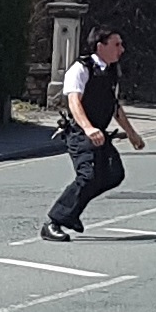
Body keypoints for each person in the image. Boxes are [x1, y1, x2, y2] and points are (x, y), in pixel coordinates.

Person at [41, 27, 145, 242]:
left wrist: (132, 134)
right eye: (116, 44)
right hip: (80, 133)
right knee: (88, 176)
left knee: (113, 175)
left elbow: (114, 106)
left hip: (100, 133)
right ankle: (53, 222)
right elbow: (74, 101)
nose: (122, 50)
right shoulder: (80, 68)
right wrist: (88, 128)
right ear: (101, 46)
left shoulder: (110, 71)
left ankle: (71, 213)